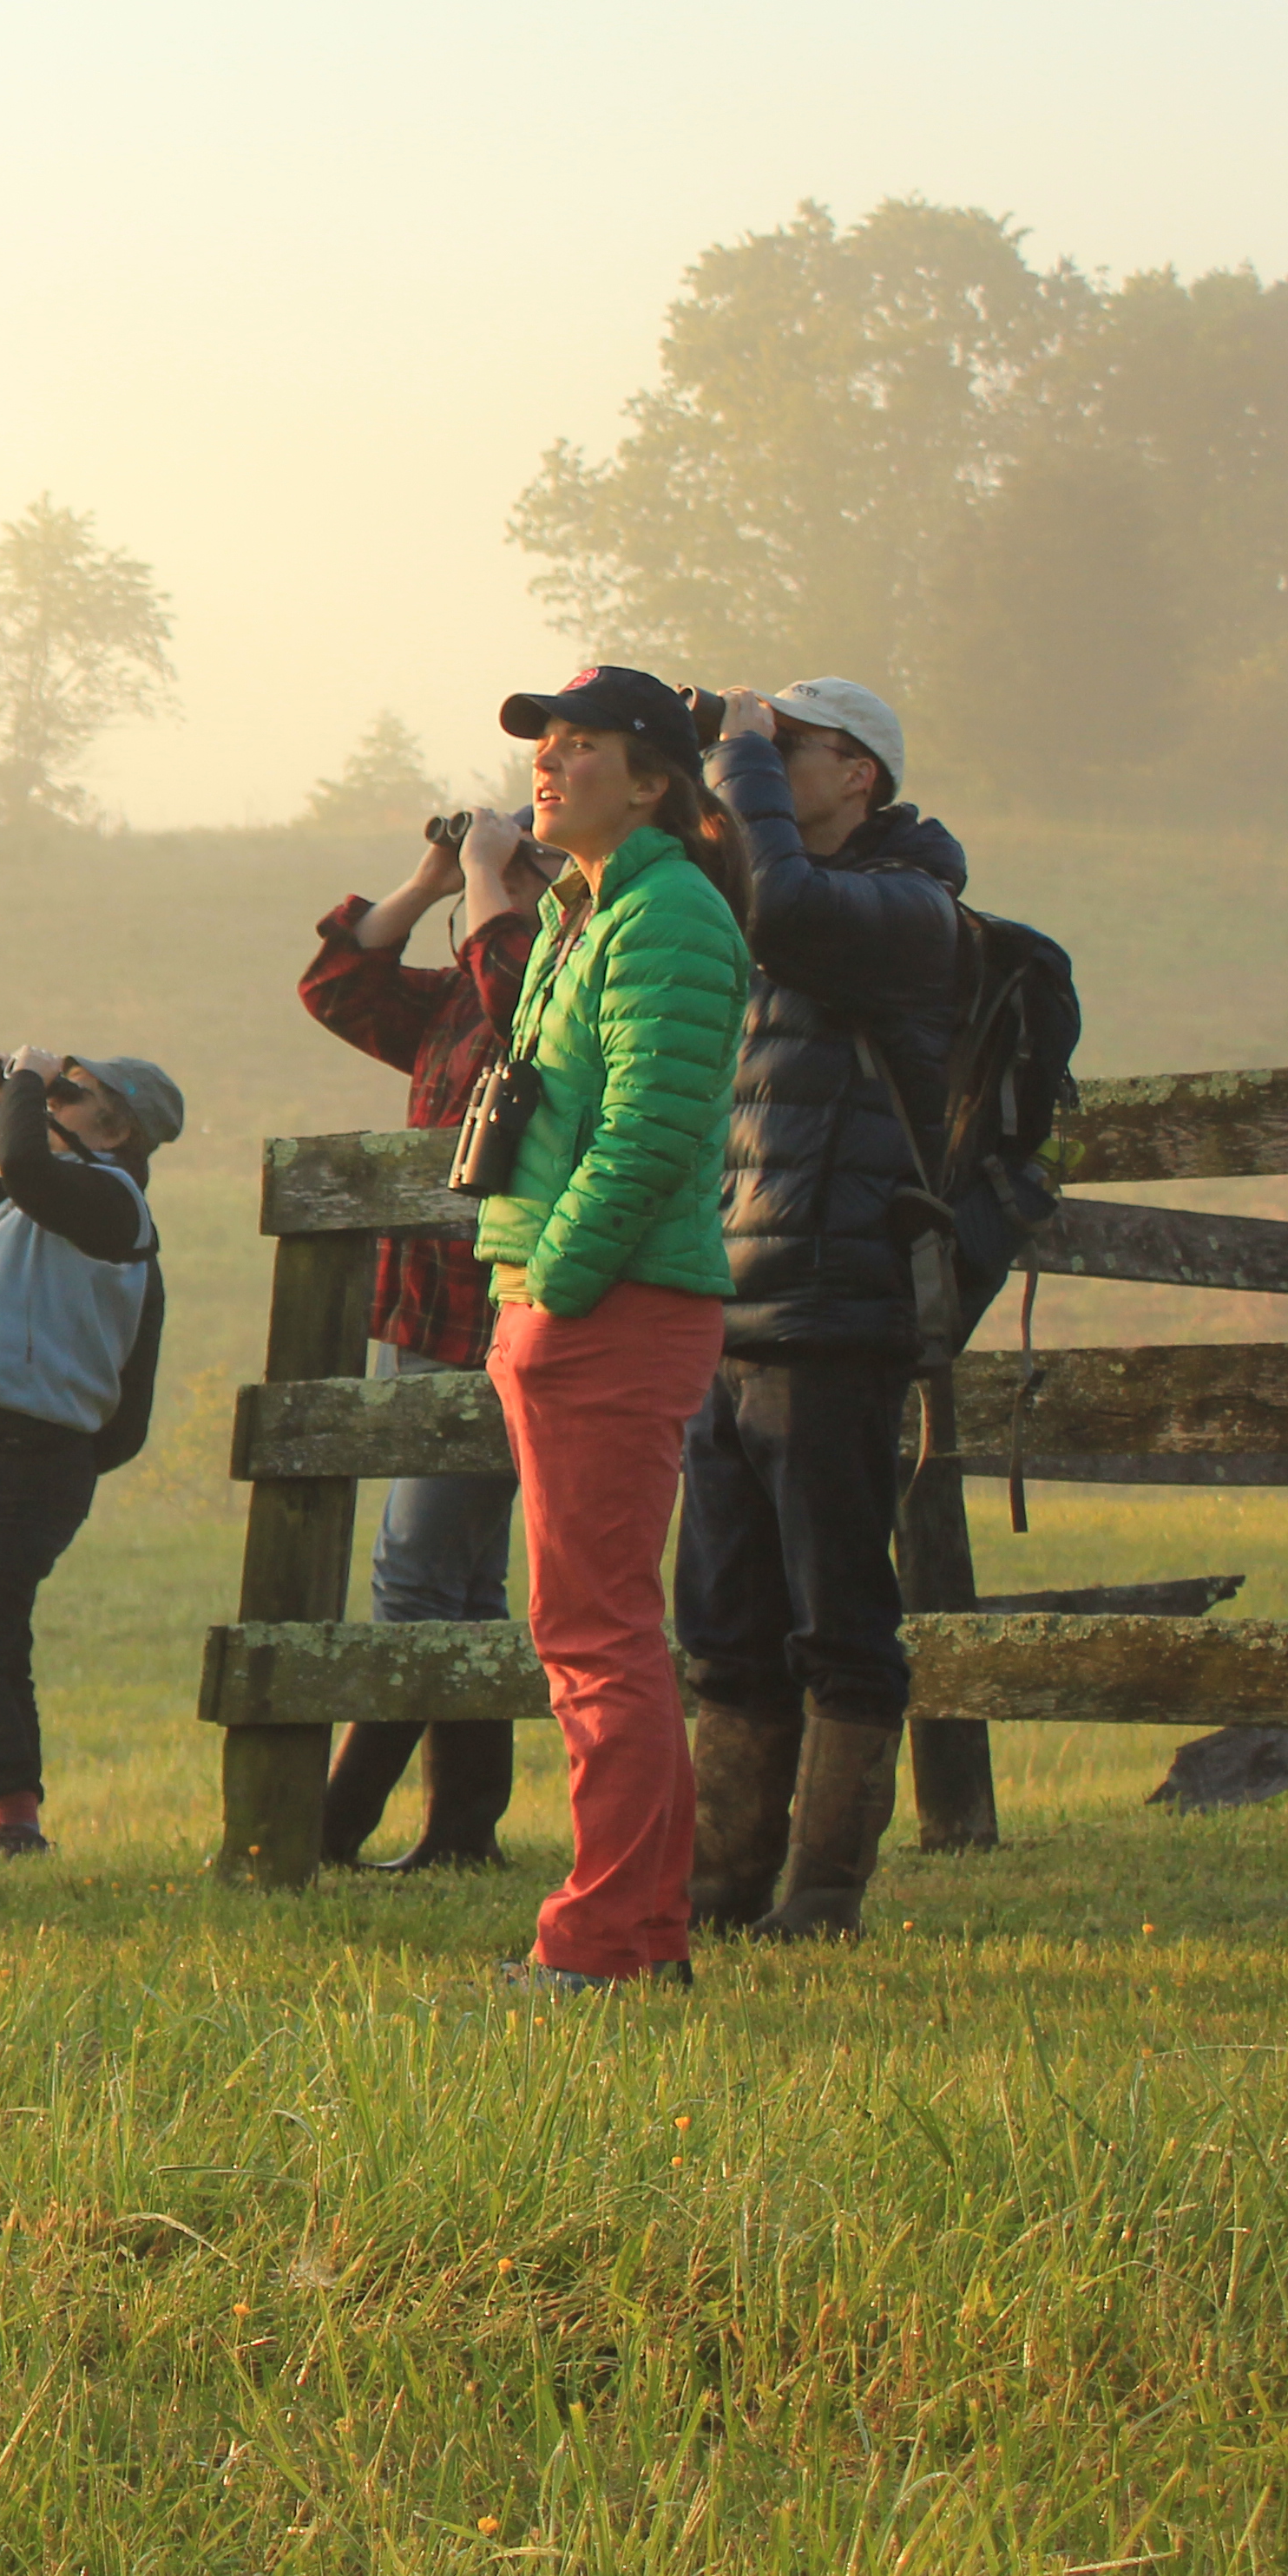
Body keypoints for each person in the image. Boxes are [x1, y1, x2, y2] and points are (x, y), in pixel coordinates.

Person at [476, 664, 751, 1996]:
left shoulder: (672, 919)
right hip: (577, 1301)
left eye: (582, 746)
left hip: (609, 1307)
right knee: (592, 1628)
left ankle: (600, 1946)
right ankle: (639, 1938)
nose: (549, 765)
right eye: (545, 744)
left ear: (651, 780)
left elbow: (648, 1132)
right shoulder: (586, 914)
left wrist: (558, 1282)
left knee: (597, 1636)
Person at [683, 675, 964, 1943]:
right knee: (728, 1623)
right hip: (730, 1306)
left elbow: (791, 905)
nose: (767, 762)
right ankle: (723, 1885)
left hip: (839, 1310)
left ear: (864, 774)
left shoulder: (909, 911)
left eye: (796, 750)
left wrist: (735, 758)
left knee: (840, 1614)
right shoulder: (759, 893)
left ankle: (825, 1893)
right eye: (765, 744)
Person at [294, 810, 543, 1869]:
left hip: (498, 1317)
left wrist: (494, 878)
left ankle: (330, 1826)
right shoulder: (453, 1001)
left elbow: (514, 988)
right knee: (462, 1582)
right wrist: (436, 875)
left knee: (413, 1577)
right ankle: (461, 1830)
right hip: (428, 1312)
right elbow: (336, 987)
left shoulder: (554, 979)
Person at [0, 1045, 182, 1864]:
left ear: (116, 1129)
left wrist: (24, 1088)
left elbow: (25, 1170)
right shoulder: (56, 1204)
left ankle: (12, 1823)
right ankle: (16, 1816)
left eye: (72, 1092)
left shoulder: (110, 1202)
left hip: (23, 1456)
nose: (53, 1100)